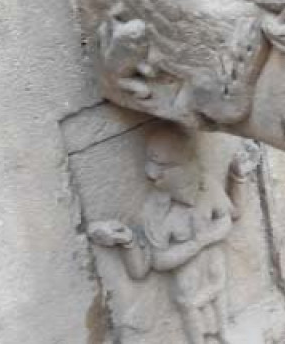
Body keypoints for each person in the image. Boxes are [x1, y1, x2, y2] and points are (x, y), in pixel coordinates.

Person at [90, 127, 236, 344]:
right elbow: (157, 260)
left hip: (215, 269)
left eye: (165, 165)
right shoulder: (156, 210)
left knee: (219, 296)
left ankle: (225, 332)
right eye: (154, 165)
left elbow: (227, 218)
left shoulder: (207, 186)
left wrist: (237, 179)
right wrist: (196, 244)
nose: (153, 173)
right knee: (189, 304)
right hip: (187, 280)